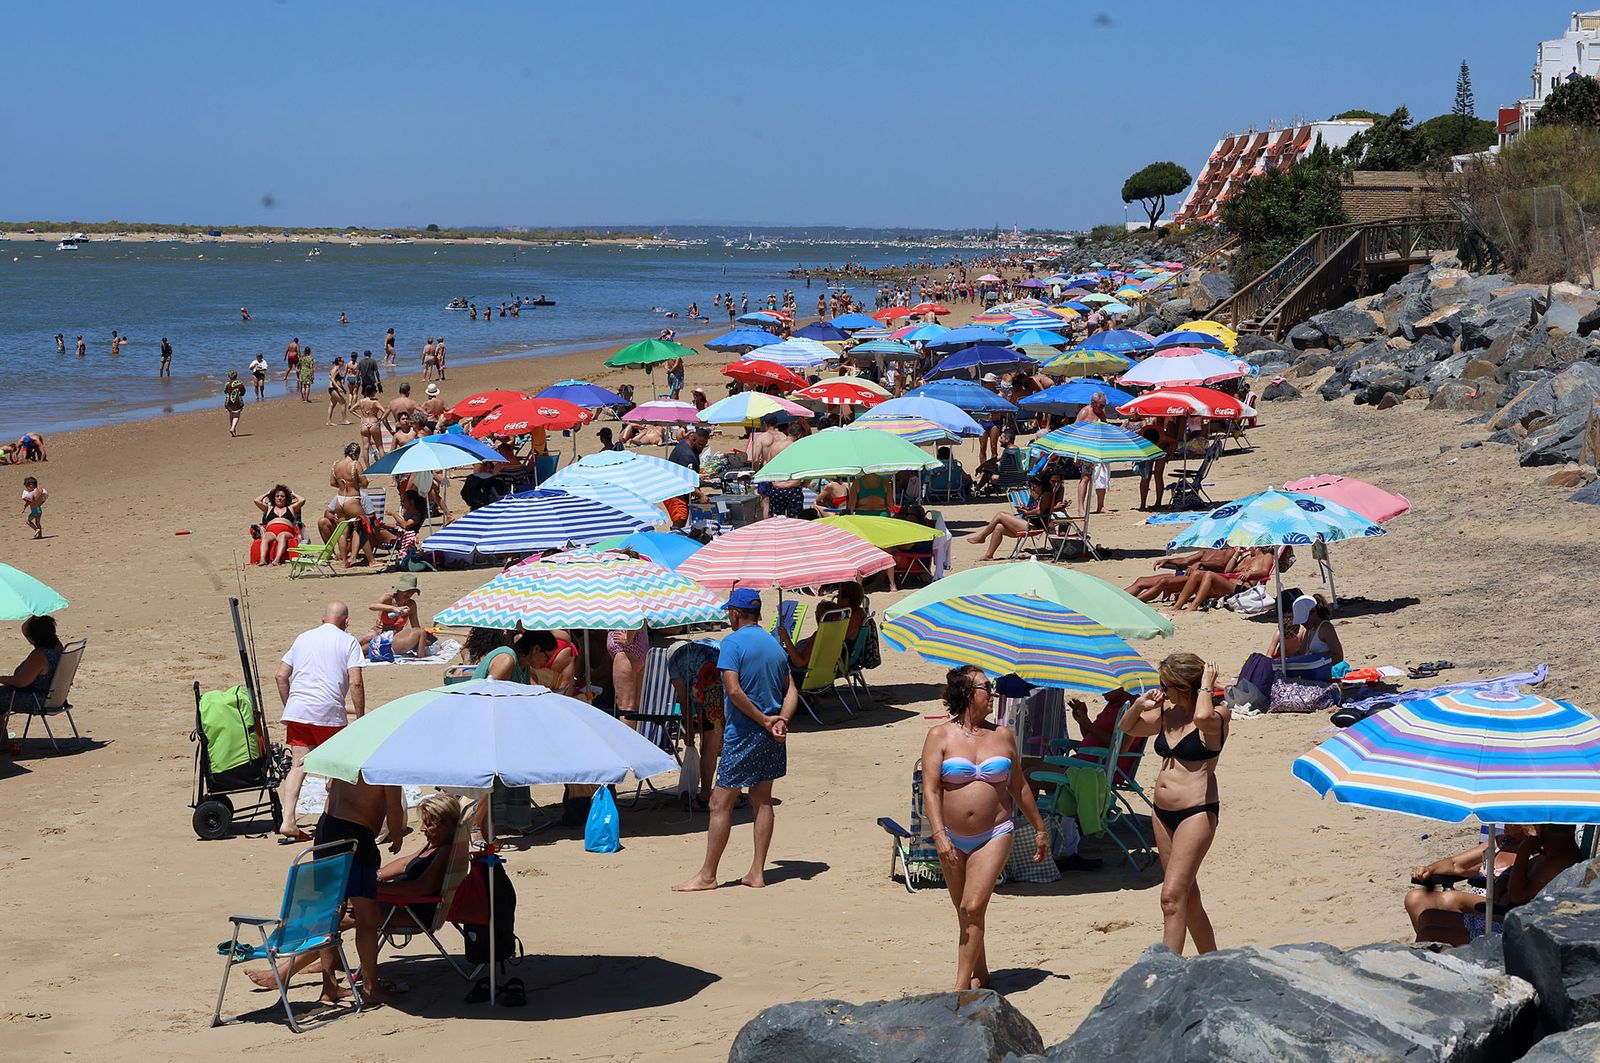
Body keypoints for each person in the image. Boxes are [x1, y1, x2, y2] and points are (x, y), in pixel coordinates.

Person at [248, 793, 461, 994]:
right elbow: (406, 864)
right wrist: (374, 877)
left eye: (429, 823)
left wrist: (371, 890)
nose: (423, 828)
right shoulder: (434, 844)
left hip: (413, 910)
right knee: (338, 913)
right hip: (399, 903)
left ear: (448, 824)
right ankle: (323, 963)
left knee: (335, 920)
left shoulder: (445, 851)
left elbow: (420, 888)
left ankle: (288, 972)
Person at [921, 665, 1051, 990]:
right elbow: (931, 789)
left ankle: (961, 989)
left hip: (994, 833)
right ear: (966, 693)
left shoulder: (1002, 736)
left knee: (973, 905)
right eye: (986, 686)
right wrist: (938, 836)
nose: (992, 692)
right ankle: (981, 973)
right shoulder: (939, 736)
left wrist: (1038, 828)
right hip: (950, 836)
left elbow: (1019, 786)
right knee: (964, 912)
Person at [673, 589, 799, 892]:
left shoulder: (731, 643)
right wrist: (780, 720)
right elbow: (791, 690)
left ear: (734, 613)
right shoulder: (774, 644)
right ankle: (757, 872)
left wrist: (762, 720)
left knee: (719, 802)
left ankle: (708, 875)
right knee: (762, 799)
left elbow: (733, 691)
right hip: (773, 734)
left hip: (745, 733)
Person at [1117, 653, 1227, 954]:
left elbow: (1202, 718)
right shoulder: (1167, 711)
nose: (1162, 690)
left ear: (1186, 686)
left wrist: (1206, 684)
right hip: (1162, 813)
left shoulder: (1218, 715)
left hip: (1197, 812)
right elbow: (1128, 728)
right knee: (1187, 897)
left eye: (1167, 685)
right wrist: (1140, 704)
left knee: (1170, 898)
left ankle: (1168, 970)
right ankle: (1212, 961)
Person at [274, 603, 366, 841]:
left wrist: (291, 705)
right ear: (346, 622)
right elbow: (355, 682)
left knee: (298, 765)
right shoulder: (349, 642)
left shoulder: (303, 637)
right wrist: (361, 715)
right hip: (328, 712)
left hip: (298, 710)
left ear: (323, 618)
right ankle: (332, 819)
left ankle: (288, 821)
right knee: (333, 768)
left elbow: (281, 675)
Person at [310, 776, 405, 1004]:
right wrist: (396, 835)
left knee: (331, 913)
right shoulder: (383, 764)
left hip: (326, 828)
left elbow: (330, 787)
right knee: (367, 917)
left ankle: (329, 987)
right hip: (355, 837)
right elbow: (394, 808)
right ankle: (371, 988)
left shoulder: (347, 755)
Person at [1415, 825, 1582, 944]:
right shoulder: (1546, 857)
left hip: (1514, 931)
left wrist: (1524, 850)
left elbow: (1517, 896)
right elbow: (1510, 882)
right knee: (1428, 917)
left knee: (1430, 931)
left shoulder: (1561, 861)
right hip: (1503, 914)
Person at [1403, 825, 1531, 938]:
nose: (1504, 822)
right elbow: (1455, 865)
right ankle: (1433, 947)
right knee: (1415, 898)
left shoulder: (1534, 852)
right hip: (1476, 906)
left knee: (1451, 898)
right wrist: (1429, 869)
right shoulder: (1499, 843)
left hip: (1500, 909)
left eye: (1512, 819)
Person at [668, 639, 725, 809]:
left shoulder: (673, 663)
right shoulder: (705, 648)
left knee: (710, 748)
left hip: (711, 691)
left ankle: (705, 795)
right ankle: (731, 794)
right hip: (725, 687)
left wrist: (689, 731)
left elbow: (684, 700)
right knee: (717, 746)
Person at [1, 615, 65, 749]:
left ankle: (2, 742)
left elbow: (21, 682)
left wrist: (2, 678)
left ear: (32, 639)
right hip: (54, 696)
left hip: (37, 698)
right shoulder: (58, 647)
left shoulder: (39, 655)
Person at [965, 473, 1056, 561]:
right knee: (999, 527)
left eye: (1034, 486)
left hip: (1034, 526)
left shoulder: (1046, 494)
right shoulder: (1040, 494)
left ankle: (982, 537)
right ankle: (988, 555)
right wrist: (1026, 508)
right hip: (1029, 523)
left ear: (1041, 485)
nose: (1033, 488)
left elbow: (1039, 512)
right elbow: (1037, 509)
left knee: (1000, 515)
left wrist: (1026, 513)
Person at [779, 584, 865, 668]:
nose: (837, 597)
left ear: (846, 600)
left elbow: (800, 662)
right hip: (836, 664)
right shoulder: (859, 615)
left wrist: (786, 638)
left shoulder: (824, 635)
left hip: (801, 673)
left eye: (840, 595)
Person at [1268, 594, 1345, 673]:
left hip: (1327, 671)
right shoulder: (1309, 630)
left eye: (1305, 620)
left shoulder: (1325, 628)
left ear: (1313, 612)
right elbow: (1301, 652)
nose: (1303, 624)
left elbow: (1338, 655)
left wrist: (1317, 662)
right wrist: (1286, 663)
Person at [253, 484, 305, 565]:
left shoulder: (291, 508)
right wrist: (267, 493)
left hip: (286, 532)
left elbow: (302, 500)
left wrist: (293, 494)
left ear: (286, 498)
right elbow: (256, 501)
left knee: (282, 536)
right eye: (277, 496)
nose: (279, 498)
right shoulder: (269, 508)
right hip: (271, 532)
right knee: (265, 536)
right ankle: (262, 560)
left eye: (282, 496)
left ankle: (277, 560)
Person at [326, 356, 351, 425]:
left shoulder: (338, 369)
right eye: (342, 361)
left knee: (332, 405)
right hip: (333, 389)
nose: (343, 362)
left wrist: (343, 389)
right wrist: (339, 388)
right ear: (339, 362)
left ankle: (328, 421)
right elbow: (332, 379)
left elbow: (338, 381)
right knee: (343, 403)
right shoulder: (336, 369)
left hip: (334, 388)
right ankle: (344, 420)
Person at [223, 370, 247, 437]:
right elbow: (243, 392)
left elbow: (225, 391)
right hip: (237, 401)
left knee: (231, 414)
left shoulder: (227, 384)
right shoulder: (240, 383)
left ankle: (233, 430)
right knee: (237, 415)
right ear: (236, 376)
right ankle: (233, 428)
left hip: (228, 401)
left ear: (228, 376)